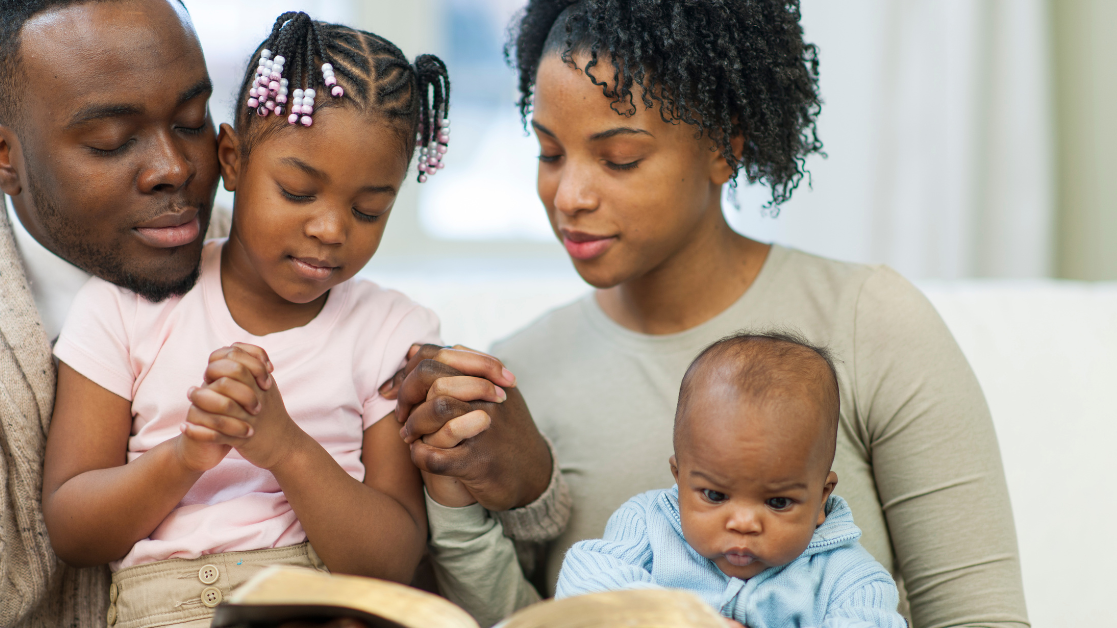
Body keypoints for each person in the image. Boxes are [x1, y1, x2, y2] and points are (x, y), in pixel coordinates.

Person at [386, 1, 1029, 627]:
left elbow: (979, 615)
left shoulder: (871, 323)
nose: (569, 195)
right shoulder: (515, 376)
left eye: (620, 160)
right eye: (549, 153)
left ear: (724, 147)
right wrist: (464, 488)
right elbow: (529, 623)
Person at [39, 12, 461, 627]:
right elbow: (74, 530)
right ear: (232, 160)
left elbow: (393, 560)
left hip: (317, 604)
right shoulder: (124, 308)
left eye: (369, 210)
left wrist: (285, 448)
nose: (331, 229)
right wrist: (187, 453)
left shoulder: (390, 332)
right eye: (297, 192)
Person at [0, 1, 227, 624]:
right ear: (3, 156)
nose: (176, 169)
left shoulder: (261, 263)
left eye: (193, 121)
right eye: (112, 142)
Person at [557, 333, 906, 628]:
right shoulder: (648, 525)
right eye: (714, 494)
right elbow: (584, 584)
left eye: (778, 502)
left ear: (820, 497)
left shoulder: (849, 578)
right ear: (679, 480)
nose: (743, 523)